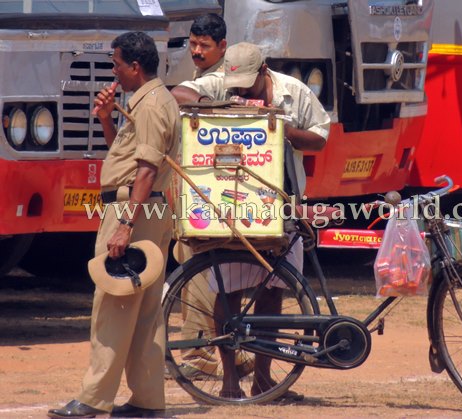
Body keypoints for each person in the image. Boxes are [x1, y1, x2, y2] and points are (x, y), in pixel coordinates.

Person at [171, 41, 330, 399]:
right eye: (235, 83)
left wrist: (279, 128)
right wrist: (226, 107)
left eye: (247, 83)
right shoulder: (220, 83)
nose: (241, 89)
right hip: (231, 206)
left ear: (264, 70)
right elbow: (178, 95)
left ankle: (263, 378)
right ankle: (229, 381)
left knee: (273, 291)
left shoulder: (293, 92)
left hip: (283, 203)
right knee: (228, 291)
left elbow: (320, 138)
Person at [47, 32, 180, 418]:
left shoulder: (152, 105)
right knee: (143, 311)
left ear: (134, 67)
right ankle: (147, 400)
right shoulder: (149, 100)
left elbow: (145, 170)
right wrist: (107, 118)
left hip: (133, 211)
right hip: (146, 209)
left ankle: (93, 397)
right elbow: (125, 158)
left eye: (116, 64)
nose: (113, 71)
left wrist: (124, 225)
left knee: (113, 304)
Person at [170, 13, 254, 381]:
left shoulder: (222, 79)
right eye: (193, 44)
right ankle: (231, 353)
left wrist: (202, 100)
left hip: (216, 194)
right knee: (200, 269)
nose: (197, 51)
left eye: (204, 45)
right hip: (206, 190)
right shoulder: (213, 77)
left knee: (204, 271)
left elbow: (179, 93)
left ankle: (201, 353)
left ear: (222, 47)